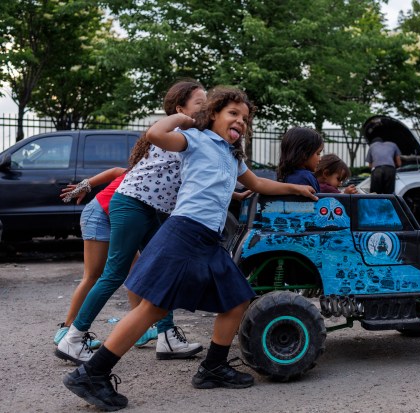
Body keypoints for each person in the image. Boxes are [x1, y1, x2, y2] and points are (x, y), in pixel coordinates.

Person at [62, 85, 317, 411]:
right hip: (183, 234)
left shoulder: (230, 155)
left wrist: (295, 188)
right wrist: (185, 117)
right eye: (233, 114)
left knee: (237, 299)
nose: (241, 121)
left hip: (207, 239)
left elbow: (257, 184)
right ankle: (92, 373)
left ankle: (213, 367)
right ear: (213, 115)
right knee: (151, 309)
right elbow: (155, 134)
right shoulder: (194, 140)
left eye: (245, 118)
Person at [55, 80, 208, 366]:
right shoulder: (173, 133)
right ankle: (73, 338)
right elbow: (154, 137)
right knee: (113, 274)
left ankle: (166, 337)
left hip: (150, 209)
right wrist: (187, 119)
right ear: (180, 109)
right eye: (200, 103)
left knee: (163, 268)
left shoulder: (195, 138)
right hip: (132, 204)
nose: (206, 107)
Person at [54, 167, 135, 349]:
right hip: (98, 216)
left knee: (135, 270)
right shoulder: (143, 169)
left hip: (115, 219)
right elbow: (115, 171)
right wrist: (85, 185)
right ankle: (66, 330)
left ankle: (141, 328)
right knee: (93, 275)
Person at [276, 126, 323, 192]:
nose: (320, 159)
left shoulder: (288, 174)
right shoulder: (303, 178)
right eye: (318, 153)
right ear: (304, 154)